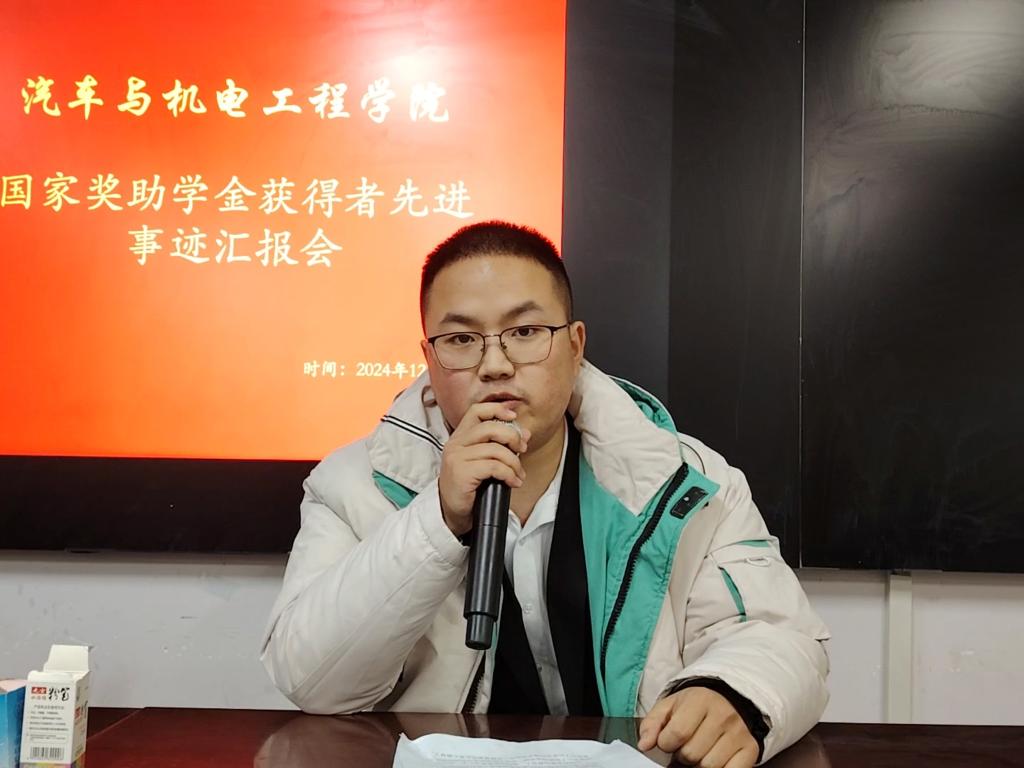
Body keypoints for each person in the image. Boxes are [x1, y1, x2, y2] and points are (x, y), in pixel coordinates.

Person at [261, 221, 830, 767]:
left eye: (526, 333)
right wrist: (437, 519)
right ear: (429, 359)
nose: (495, 365)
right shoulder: (351, 485)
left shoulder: (687, 478)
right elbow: (312, 680)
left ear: (575, 345)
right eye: (461, 340)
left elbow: (779, 635)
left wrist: (732, 690)